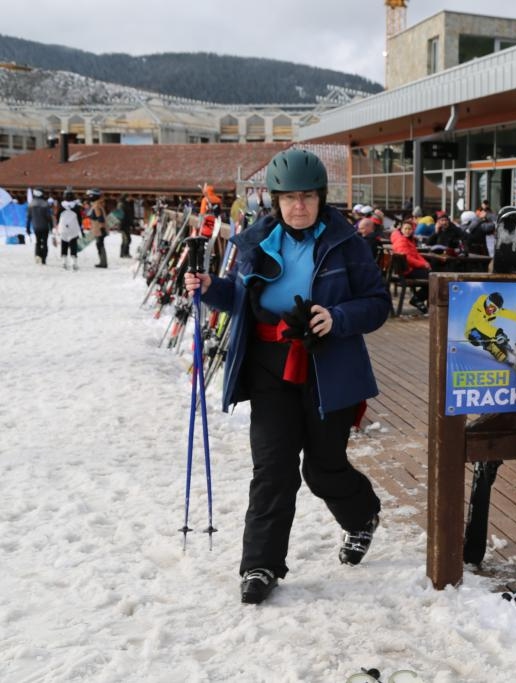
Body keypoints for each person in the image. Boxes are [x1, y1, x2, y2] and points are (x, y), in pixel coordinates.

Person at [182, 148, 389, 605]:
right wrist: (210, 288)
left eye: (308, 197)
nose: (299, 206)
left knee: (323, 468)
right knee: (273, 468)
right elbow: (239, 296)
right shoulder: (255, 242)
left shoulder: (347, 243)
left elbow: (378, 303)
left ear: (321, 198)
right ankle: (260, 565)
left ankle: (362, 516)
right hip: (269, 366)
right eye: (290, 197)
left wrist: (337, 317)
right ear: (275, 200)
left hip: (328, 365)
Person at [464, 292, 516, 364]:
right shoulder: (478, 309)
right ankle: (494, 350)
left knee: (500, 341)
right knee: (485, 338)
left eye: (495, 310)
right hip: (471, 333)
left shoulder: (492, 310)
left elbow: (507, 313)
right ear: (487, 302)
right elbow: (480, 324)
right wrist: (497, 333)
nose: (491, 311)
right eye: (491, 306)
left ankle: (508, 350)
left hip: (487, 332)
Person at [390, 218, 431, 314]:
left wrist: (425, 263)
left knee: (432, 275)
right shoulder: (401, 241)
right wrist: (423, 264)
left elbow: (416, 255)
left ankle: (418, 299)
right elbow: (407, 258)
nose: (408, 231)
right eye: (406, 229)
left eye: (410, 229)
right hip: (406, 271)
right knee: (433, 278)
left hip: (409, 269)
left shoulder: (409, 240)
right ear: (401, 230)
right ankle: (417, 299)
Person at [56, 190, 84, 271]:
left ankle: (64, 262)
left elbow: (57, 217)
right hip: (73, 228)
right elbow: (79, 219)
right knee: (73, 245)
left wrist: (58, 226)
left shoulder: (61, 206)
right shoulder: (76, 207)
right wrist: (80, 229)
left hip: (63, 228)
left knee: (64, 244)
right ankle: (74, 263)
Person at [26, 189, 53, 265]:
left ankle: (38, 254)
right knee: (44, 242)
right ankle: (44, 258)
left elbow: (28, 217)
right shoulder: (45, 204)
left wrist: (27, 228)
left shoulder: (31, 204)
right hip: (45, 226)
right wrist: (51, 226)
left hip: (36, 226)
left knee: (38, 242)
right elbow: (49, 217)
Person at [85, 189, 108, 269]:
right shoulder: (97, 204)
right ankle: (103, 261)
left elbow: (100, 217)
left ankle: (103, 262)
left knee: (100, 244)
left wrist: (102, 228)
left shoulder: (96, 205)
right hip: (97, 228)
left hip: (98, 228)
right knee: (100, 244)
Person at [119, 194, 136, 258]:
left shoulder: (128, 204)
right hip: (123, 225)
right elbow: (122, 215)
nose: (131, 198)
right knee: (126, 239)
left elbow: (130, 215)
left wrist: (132, 224)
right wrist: (121, 225)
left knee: (127, 239)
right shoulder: (122, 205)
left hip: (127, 224)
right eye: (130, 197)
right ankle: (124, 253)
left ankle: (125, 253)